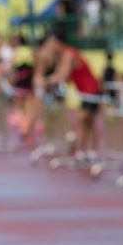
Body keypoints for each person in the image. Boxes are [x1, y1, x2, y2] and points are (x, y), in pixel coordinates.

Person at [44, 31, 102, 162]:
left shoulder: (69, 54)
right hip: (85, 92)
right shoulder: (63, 56)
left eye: (53, 43)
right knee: (88, 122)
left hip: (91, 91)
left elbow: (63, 75)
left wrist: (46, 81)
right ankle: (88, 152)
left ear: (60, 43)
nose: (51, 46)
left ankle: (83, 152)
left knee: (83, 121)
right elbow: (64, 75)